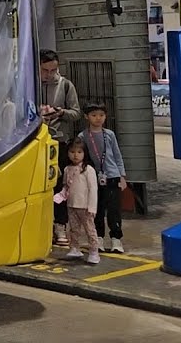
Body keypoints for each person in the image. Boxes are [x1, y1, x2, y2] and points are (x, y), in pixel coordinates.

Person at [40, 49, 82, 245]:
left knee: (59, 186)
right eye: (45, 70)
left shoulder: (65, 85)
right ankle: (41, 225)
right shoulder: (28, 83)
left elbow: (76, 113)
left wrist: (60, 112)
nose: (49, 74)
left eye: (53, 70)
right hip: (34, 142)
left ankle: (60, 225)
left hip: (59, 142)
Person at [79, 103, 127, 253]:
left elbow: (117, 156)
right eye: (94, 115)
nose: (98, 118)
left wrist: (122, 176)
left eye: (101, 115)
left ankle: (116, 239)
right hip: (93, 178)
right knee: (96, 209)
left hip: (112, 176)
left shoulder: (110, 135)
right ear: (86, 117)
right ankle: (98, 238)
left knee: (114, 209)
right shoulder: (83, 136)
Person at [59, 139, 101, 264]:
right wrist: (61, 196)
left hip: (85, 206)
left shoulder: (88, 169)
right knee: (73, 229)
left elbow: (93, 189)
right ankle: (74, 248)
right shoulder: (67, 169)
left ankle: (94, 251)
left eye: (79, 152)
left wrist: (92, 207)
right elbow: (66, 186)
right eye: (72, 152)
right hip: (71, 205)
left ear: (85, 153)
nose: (75, 155)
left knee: (90, 230)